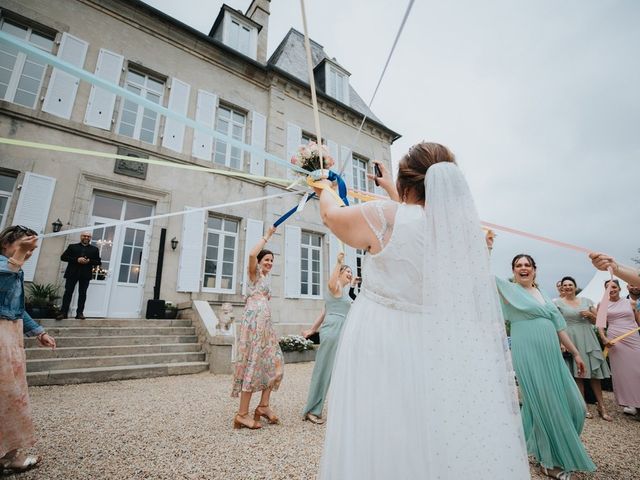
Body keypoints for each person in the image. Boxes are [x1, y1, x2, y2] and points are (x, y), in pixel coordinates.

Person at [313, 142, 530, 479]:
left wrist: (323, 184)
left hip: (382, 336)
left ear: (406, 183)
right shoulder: (457, 234)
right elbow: (417, 223)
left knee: (382, 423)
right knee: (428, 425)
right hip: (437, 341)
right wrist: (391, 189)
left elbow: (332, 215)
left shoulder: (386, 215)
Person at [489, 249, 596, 478]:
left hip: (552, 356)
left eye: (528, 264)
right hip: (527, 352)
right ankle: (549, 461)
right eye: (518, 265)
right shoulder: (509, 290)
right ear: (513, 271)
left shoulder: (543, 294)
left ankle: (538, 446)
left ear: (535, 270)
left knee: (575, 405)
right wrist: (487, 247)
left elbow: (559, 327)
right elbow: (482, 273)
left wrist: (576, 354)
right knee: (544, 402)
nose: (523, 267)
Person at [0, 225, 56, 473]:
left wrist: (39, 331)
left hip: (11, 338)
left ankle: (8, 455)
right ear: (6, 244)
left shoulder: (15, 269)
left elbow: (17, 306)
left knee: (12, 396)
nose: (27, 255)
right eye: (23, 247)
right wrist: (17, 258)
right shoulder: (7, 267)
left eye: (30, 251)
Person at [231, 226, 283, 429]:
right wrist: (267, 236)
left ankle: (263, 406)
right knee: (252, 365)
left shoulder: (267, 279)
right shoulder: (254, 275)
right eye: (266, 260)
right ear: (259, 263)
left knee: (275, 362)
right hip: (253, 326)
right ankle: (242, 414)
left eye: (271, 260)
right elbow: (252, 253)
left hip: (266, 327)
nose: (269, 263)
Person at [301, 252, 353, 424]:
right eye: (347, 271)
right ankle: (312, 410)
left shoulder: (343, 292)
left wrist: (312, 330)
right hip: (333, 330)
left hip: (341, 330)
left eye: (351, 272)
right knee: (323, 370)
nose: (350, 274)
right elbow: (331, 283)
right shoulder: (335, 286)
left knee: (341, 371)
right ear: (339, 273)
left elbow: (324, 312)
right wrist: (338, 262)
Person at [554, 276, 612, 421]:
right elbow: (556, 325)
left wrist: (591, 314)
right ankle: (583, 407)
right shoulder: (558, 304)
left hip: (588, 338)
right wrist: (561, 342)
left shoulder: (586, 301)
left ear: (575, 286)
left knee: (594, 373)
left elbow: (601, 320)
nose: (567, 287)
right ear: (562, 288)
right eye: (565, 285)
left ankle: (602, 406)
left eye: (570, 285)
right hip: (570, 338)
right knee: (578, 373)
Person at [598, 279, 640, 416]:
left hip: (633, 339)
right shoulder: (602, 305)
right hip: (615, 341)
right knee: (624, 374)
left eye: (614, 286)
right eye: (608, 287)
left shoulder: (632, 302)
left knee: (637, 371)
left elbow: (639, 322)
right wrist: (604, 339)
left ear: (619, 288)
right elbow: (600, 325)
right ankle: (632, 403)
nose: (612, 289)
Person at [57, 231, 101, 320]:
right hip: (71, 273)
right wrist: (77, 259)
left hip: (85, 275)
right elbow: (63, 257)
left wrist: (89, 261)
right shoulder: (72, 246)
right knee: (68, 293)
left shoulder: (94, 249)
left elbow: (98, 262)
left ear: (90, 238)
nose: (86, 238)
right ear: (81, 237)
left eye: (88, 236)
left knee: (83, 294)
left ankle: (79, 313)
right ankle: (63, 313)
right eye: (84, 236)